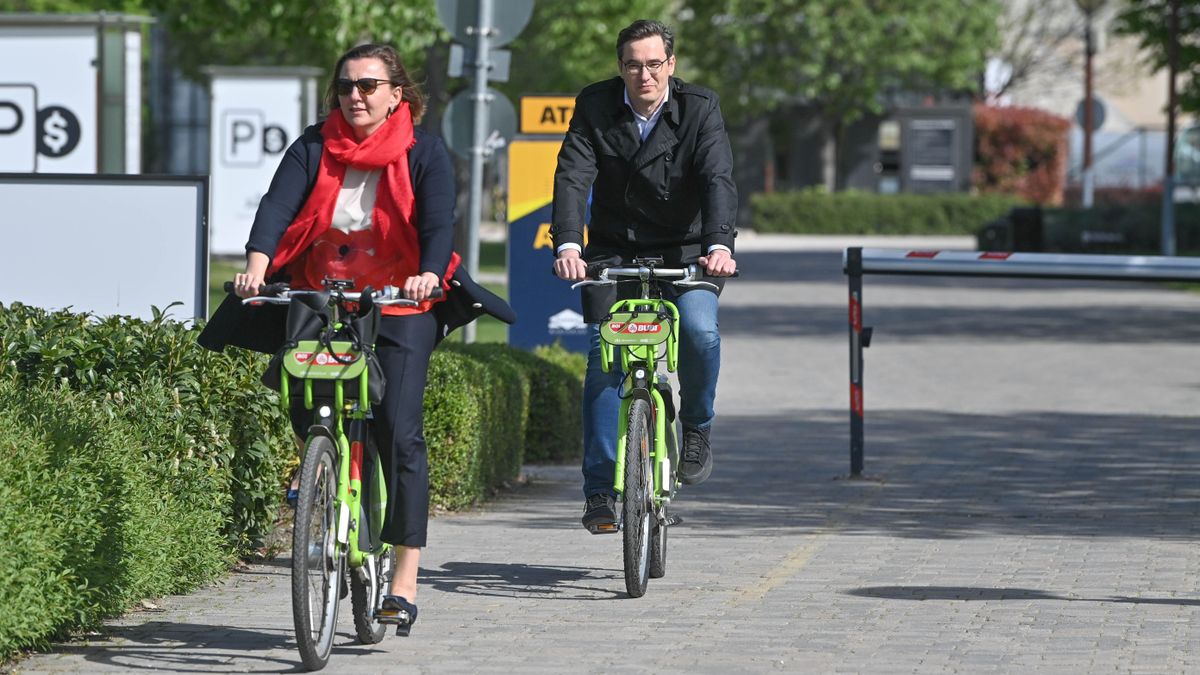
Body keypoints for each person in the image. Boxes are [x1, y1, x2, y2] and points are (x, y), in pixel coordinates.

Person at [199, 43, 512, 634]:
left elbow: (439, 220)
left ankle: (403, 578)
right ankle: (319, 468)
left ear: (398, 93)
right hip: (323, 291)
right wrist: (259, 265)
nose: (356, 96)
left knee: (398, 427)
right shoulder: (314, 145)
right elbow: (276, 207)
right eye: (346, 86)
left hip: (400, 297)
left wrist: (426, 267)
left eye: (369, 85)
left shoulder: (425, 151)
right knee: (301, 390)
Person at [551, 19, 738, 532]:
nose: (644, 74)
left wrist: (720, 244)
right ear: (621, 67)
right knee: (603, 360)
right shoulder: (595, 104)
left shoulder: (699, 107)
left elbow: (717, 177)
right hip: (615, 252)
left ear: (671, 66)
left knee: (699, 332)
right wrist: (569, 243)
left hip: (689, 251)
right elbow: (572, 175)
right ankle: (598, 492)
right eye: (633, 64)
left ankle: (696, 425)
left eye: (654, 64)